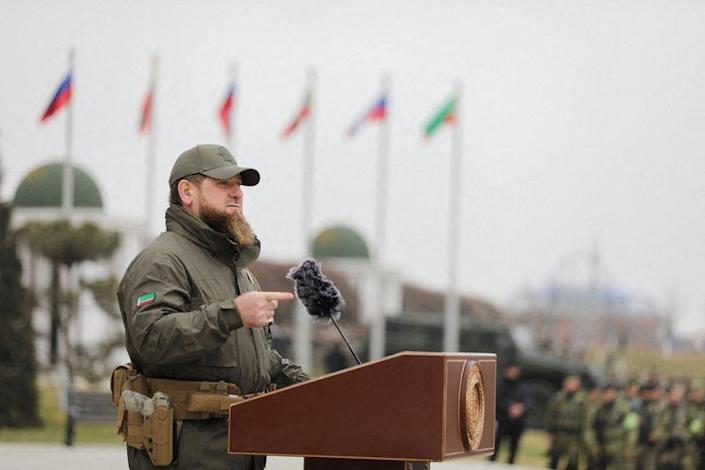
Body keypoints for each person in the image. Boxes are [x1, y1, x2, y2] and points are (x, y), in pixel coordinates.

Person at [115, 144, 310, 470]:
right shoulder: (162, 261)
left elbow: (247, 358)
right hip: (188, 454)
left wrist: (310, 387)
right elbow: (150, 339)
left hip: (239, 449)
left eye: (239, 185)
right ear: (187, 192)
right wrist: (233, 314)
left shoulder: (237, 270)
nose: (237, 193)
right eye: (223, 183)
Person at [489, 361, 530, 464]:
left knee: (514, 447)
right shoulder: (500, 384)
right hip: (502, 420)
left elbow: (528, 400)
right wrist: (510, 406)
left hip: (517, 422)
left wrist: (521, 408)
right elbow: (497, 399)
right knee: (495, 445)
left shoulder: (522, 385)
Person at [546, 375, 587, 470]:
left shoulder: (582, 400)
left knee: (573, 461)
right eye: (570, 383)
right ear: (565, 384)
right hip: (559, 434)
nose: (572, 386)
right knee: (554, 459)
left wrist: (583, 437)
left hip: (574, 436)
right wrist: (550, 433)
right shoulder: (558, 397)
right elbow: (550, 415)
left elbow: (585, 419)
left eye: (575, 384)